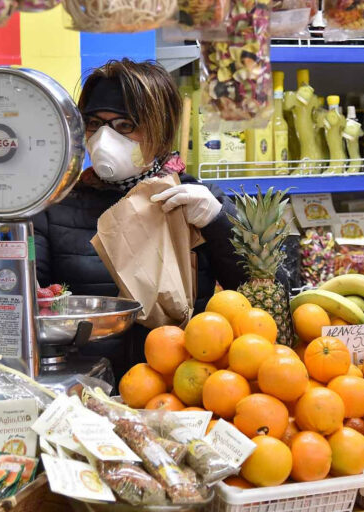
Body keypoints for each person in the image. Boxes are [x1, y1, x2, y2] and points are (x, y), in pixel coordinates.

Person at [32, 59, 246, 377]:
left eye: (125, 126)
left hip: (182, 386)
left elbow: (259, 293)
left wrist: (219, 223)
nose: (104, 138)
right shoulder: (56, 206)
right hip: (84, 389)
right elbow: (23, 301)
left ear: (160, 130)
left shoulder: (196, 200)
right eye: (94, 123)